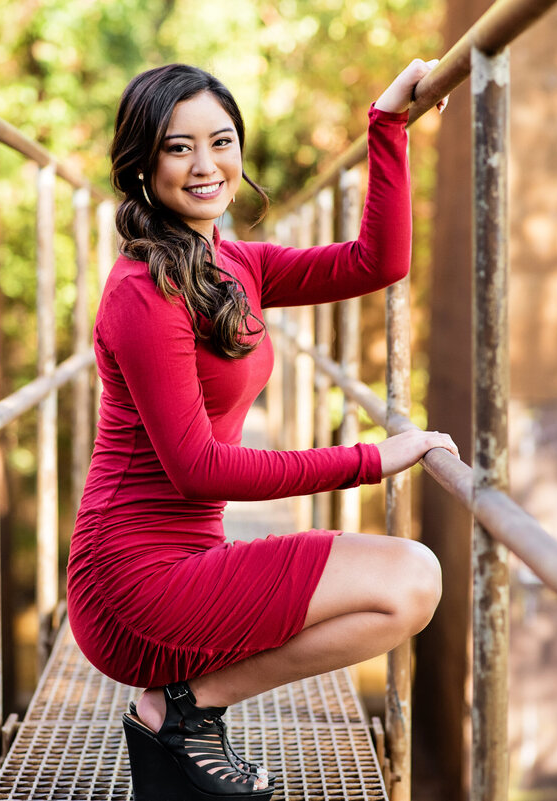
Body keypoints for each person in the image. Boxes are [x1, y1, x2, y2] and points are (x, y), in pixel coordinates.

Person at [65, 60, 456, 800]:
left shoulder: (233, 262)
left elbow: (380, 261)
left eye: (221, 141)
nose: (206, 165)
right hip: (130, 584)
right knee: (411, 576)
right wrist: (370, 458)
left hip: (190, 560)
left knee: (409, 587)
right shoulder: (144, 290)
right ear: (142, 166)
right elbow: (199, 471)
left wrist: (388, 126)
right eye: (179, 148)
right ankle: (183, 706)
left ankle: (179, 706)